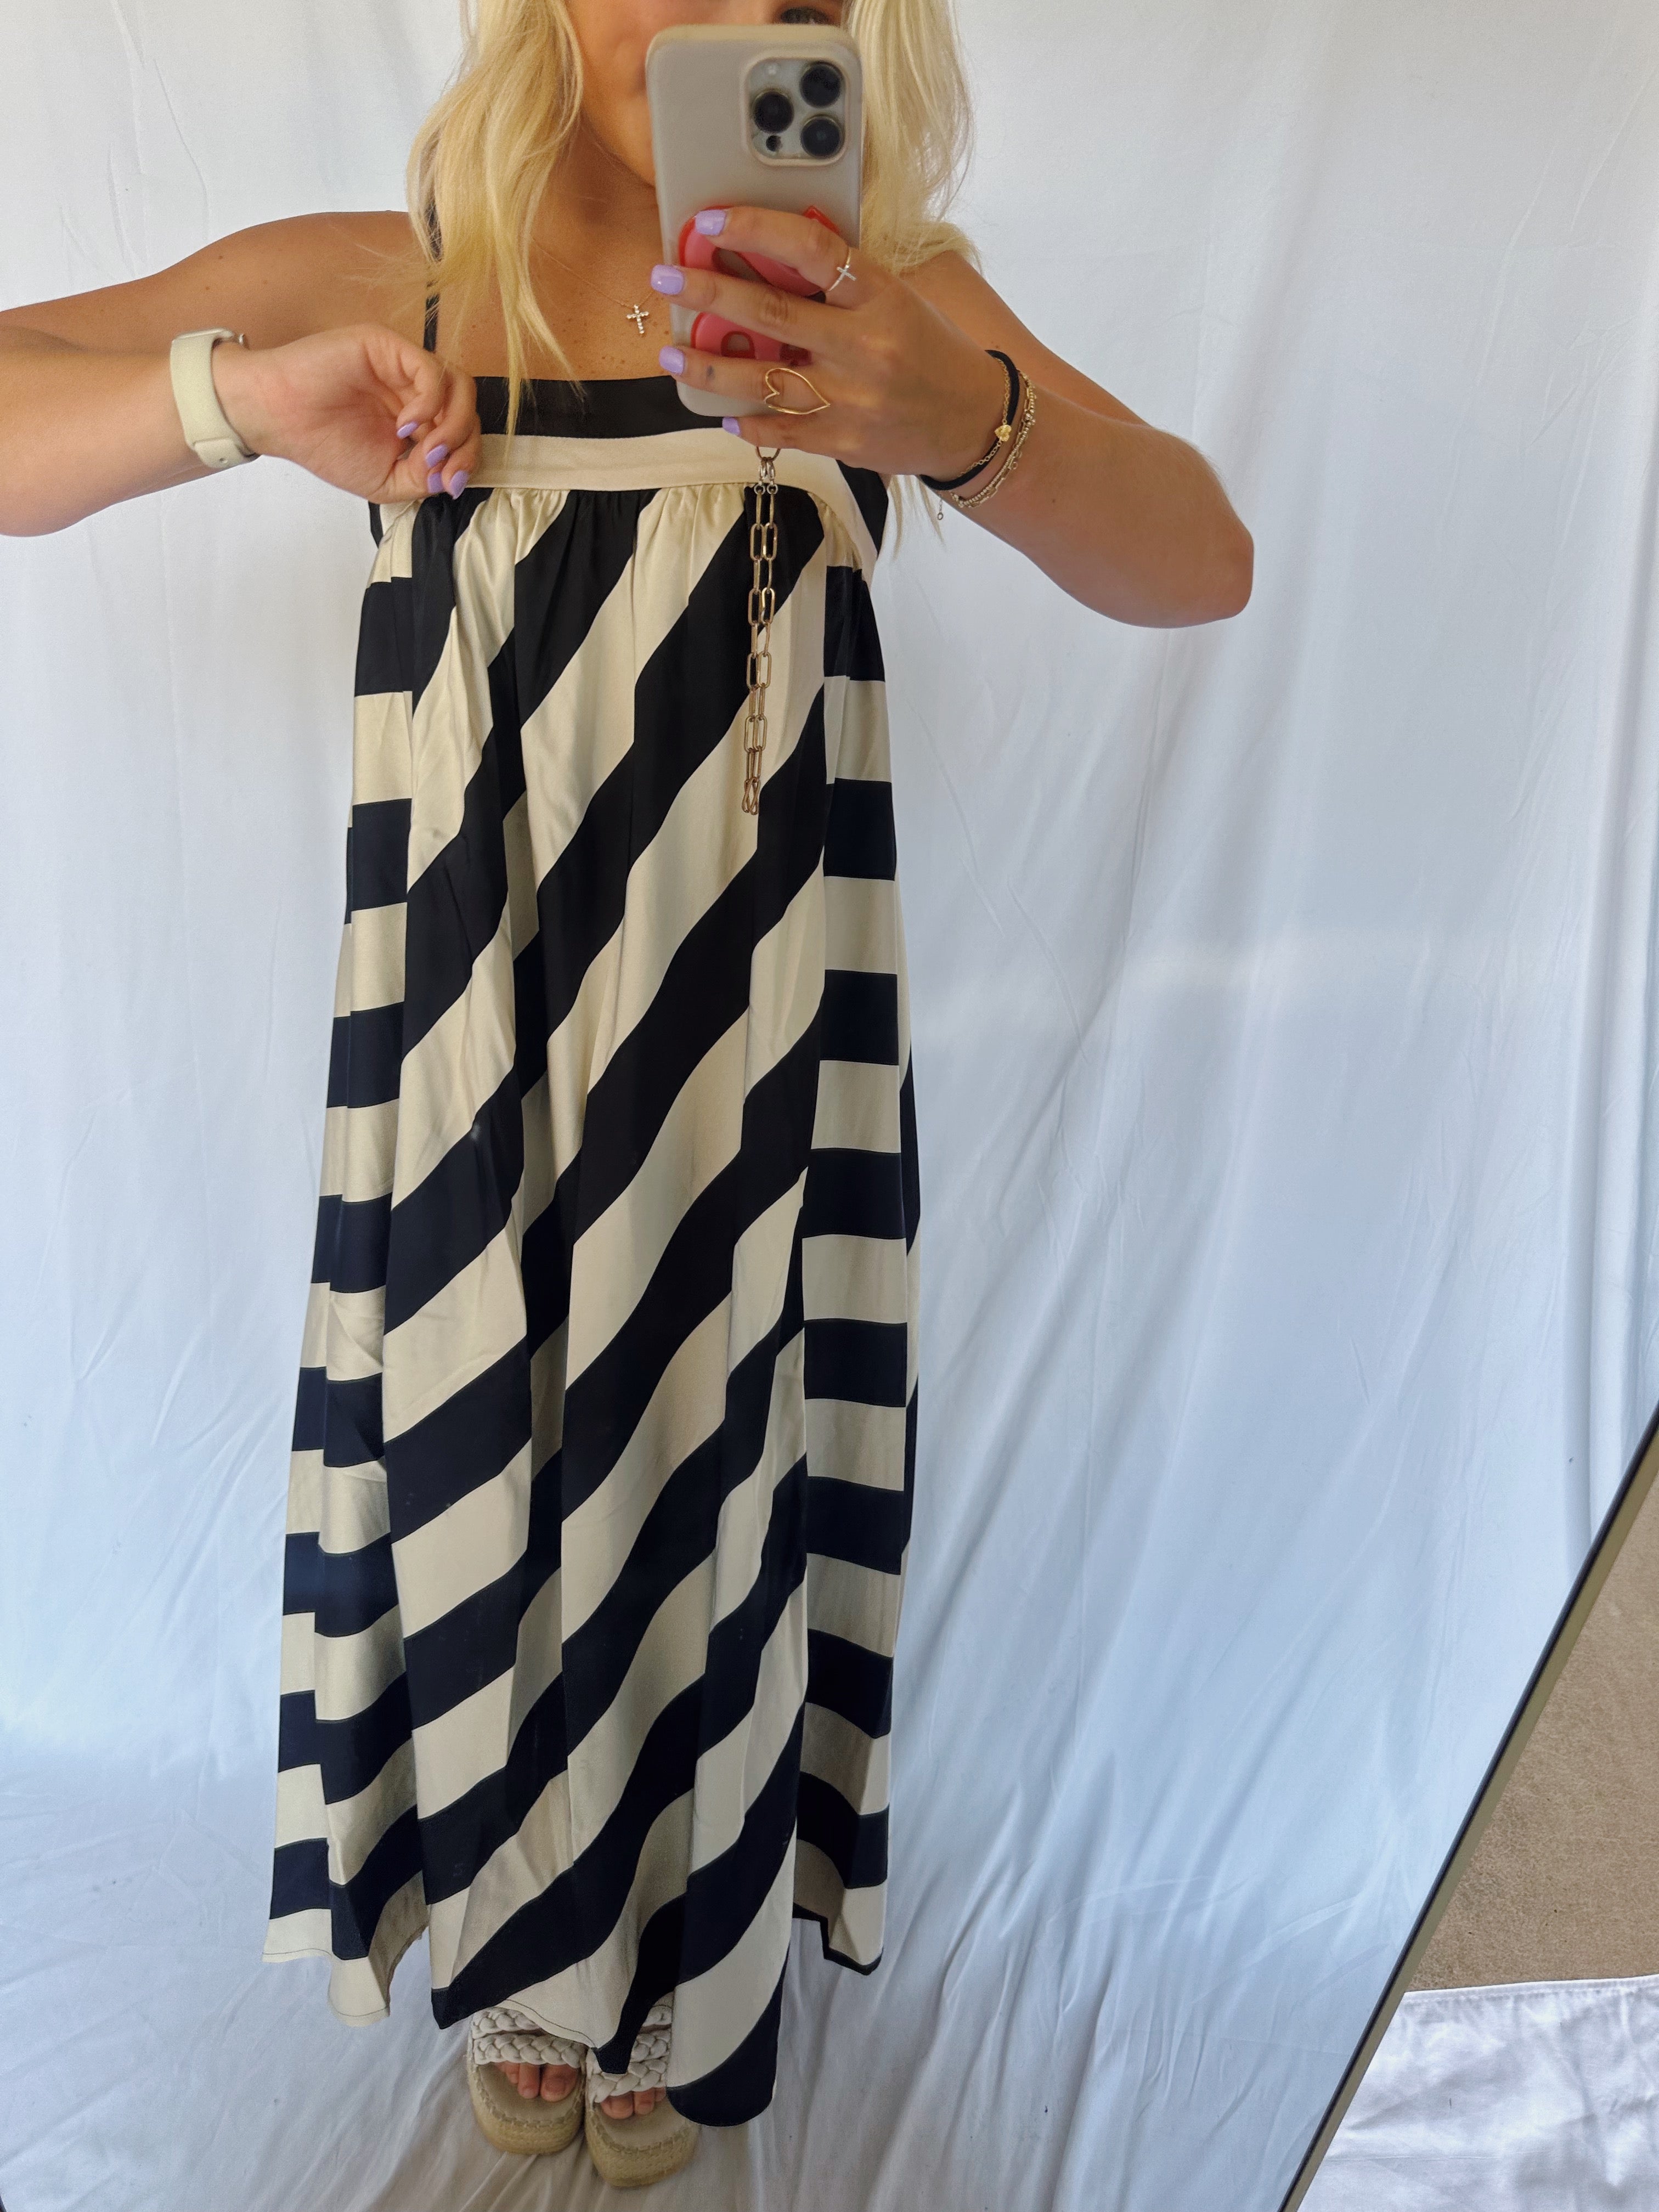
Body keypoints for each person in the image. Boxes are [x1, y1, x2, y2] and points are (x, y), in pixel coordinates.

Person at [0, 0, 1250, 2190]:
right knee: (476, 1448)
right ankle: (526, 1950)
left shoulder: (880, 309)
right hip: (468, 1062)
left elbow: (1198, 558)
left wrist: (964, 426)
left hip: (752, 1077)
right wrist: (242, 405)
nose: (695, 14)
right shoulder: (391, 280)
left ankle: (689, 1967)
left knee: (718, 1462)